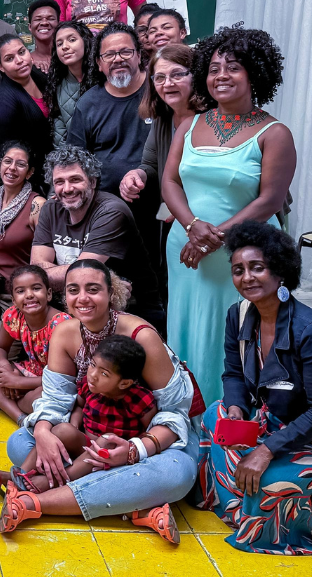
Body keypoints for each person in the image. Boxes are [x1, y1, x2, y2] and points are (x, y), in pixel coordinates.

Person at [0, 259, 197, 543]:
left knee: (174, 474)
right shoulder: (65, 332)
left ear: (111, 294)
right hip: (92, 438)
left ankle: (35, 502)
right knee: (21, 442)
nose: (82, 298)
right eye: (73, 290)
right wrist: (45, 431)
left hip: (148, 440)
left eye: (93, 289)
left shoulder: (140, 335)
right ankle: (133, 506)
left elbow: (173, 414)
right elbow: (57, 399)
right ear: (65, 296)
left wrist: (133, 451)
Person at [162, 25, 295, 406]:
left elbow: (269, 200)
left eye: (233, 67)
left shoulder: (274, 133)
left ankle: (231, 424)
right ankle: (184, 417)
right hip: (186, 250)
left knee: (234, 336)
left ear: (255, 73)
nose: (221, 76)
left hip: (242, 257)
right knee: (187, 330)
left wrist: (212, 236)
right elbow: (170, 183)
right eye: (214, 68)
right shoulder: (189, 125)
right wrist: (191, 227)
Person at [195, 223, 312, 553]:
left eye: (257, 268)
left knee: (275, 485)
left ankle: (253, 506)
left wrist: (266, 450)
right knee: (214, 416)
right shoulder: (239, 315)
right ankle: (239, 501)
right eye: (238, 270)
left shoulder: (307, 328)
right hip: (268, 420)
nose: (247, 277)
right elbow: (232, 373)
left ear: (279, 270)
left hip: (303, 433)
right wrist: (236, 410)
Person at [0, 335, 158, 495]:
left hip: (113, 456)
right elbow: (79, 406)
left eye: (104, 373)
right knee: (63, 429)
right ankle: (20, 475)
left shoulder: (139, 399)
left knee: (107, 440)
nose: (93, 374)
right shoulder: (91, 387)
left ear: (124, 383)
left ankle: (57, 481)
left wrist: (131, 452)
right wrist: (73, 426)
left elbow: (149, 429)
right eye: (93, 365)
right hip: (86, 445)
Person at [32, 145, 163, 329]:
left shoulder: (111, 211)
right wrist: (109, 279)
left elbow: (80, 274)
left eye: (75, 179)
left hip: (131, 312)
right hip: (79, 307)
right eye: (59, 182)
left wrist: (50, 275)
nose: (67, 189)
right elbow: (36, 270)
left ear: (92, 182)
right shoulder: (50, 208)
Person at [119, 43, 205, 298]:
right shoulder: (163, 119)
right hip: (178, 221)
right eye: (159, 77)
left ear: (196, 75)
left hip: (211, 222)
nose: (168, 83)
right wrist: (135, 176)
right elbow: (151, 165)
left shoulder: (213, 118)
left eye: (178, 74)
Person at [0, 264, 71, 422]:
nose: (29, 295)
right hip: (29, 371)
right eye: (20, 291)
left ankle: (0, 398)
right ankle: (19, 416)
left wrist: (18, 382)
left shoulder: (61, 324)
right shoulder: (15, 315)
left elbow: (64, 377)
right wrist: (5, 369)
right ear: (14, 300)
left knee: (41, 396)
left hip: (50, 382)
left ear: (49, 294)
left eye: (36, 288)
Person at [67, 23, 149, 196]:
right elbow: (76, 159)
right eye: (109, 54)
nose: (118, 59)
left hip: (159, 200)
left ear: (139, 56)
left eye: (126, 52)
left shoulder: (160, 91)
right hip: (106, 206)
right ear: (99, 63)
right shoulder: (87, 104)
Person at [0, 142, 47, 305]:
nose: (12, 168)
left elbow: (41, 262)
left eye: (20, 164)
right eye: (7, 161)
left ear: (30, 172)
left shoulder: (37, 205)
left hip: (15, 293)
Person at [0, 34, 51, 186]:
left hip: (39, 167)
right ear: (1, 67)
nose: (19, 60)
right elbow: (9, 154)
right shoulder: (3, 104)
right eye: (9, 58)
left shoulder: (36, 75)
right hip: (17, 178)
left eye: (22, 52)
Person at [47, 20, 95, 146]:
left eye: (72, 40)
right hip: (76, 159)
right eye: (59, 44)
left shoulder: (103, 79)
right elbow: (60, 137)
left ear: (85, 41)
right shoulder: (57, 85)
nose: (65, 47)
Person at [26, 0, 61, 73]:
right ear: (30, 27)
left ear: (59, 24)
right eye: (38, 19)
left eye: (51, 18)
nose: (44, 23)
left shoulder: (69, 57)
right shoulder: (25, 63)